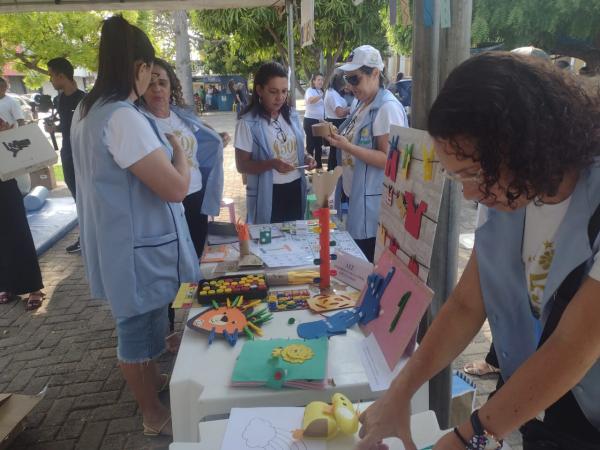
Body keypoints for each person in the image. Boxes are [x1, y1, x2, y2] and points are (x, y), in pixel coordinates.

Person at [355, 52, 600, 450]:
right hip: (542, 406)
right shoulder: (511, 188)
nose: (469, 193)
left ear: (526, 143)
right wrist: (400, 392)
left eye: (473, 173)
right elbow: (468, 303)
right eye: (458, 177)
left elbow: (574, 345)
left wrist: (467, 438)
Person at [71, 16, 199, 437]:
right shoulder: (123, 117)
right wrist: (179, 149)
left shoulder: (86, 111)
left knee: (142, 325)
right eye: (150, 71)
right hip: (136, 245)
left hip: (117, 239)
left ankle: (150, 384)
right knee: (137, 331)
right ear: (140, 68)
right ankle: (152, 413)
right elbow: (176, 188)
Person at [141, 58, 225, 330]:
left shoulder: (179, 114)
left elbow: (198, 143)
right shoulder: (140, 120)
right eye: (150, 82)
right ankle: (165, 326)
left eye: (162, 82)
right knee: (168, 266)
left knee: (196, 260)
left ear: (171, 86)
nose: (157, 88)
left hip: (195, 194)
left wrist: (216, 139)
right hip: (165, 201)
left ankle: (194, 318)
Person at [324, 45, 407, 262]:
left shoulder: (387, 108)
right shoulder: (362, 104)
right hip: (356, 199)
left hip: (374, 209)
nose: (350, 87)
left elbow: (389, 160)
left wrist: (347, 146)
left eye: (355, 79)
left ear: (375, 74)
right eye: (347, 79)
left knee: (368, 265)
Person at [235, 61, 317, 224]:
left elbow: (299, 150)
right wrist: (271, 164)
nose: (280, 98)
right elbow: (242, 166)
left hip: (295, 188)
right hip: (267, 193)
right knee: (269, 242)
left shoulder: (292, 116)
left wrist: (307, 158)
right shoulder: (248, 123)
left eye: (284, 91)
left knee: (295, 237)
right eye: (273, 91)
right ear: (259, 90)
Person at [0, 118, 45, 310]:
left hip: (3, 181)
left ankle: (34, 287)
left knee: (18, 232)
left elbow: (9, 136)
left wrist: (7, 132)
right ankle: (7, 285)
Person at [46, 57, 86, 253]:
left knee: (86, 197)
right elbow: (67, 124)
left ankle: (88, 237)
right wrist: (55, 127)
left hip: (83, 157)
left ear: (61, 76)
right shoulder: (60, 98)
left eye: (51, 76)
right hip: (67, 155)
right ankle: (85, 237)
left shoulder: (84, 100)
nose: (51, 80)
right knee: (77, 198)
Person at [324, 70, 350, 171]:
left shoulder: (333, 92)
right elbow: (339, 112)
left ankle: (333, 171)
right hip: (337, 123)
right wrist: (351, 109)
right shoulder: (333, 94)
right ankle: (333, 172)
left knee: (334, 151)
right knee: (335, 151)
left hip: (336, 122)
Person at [303, 73, 325, 169]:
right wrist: (321, 96)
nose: (321, 82)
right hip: (310, 120)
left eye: (322, 80)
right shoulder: (310, 90)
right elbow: (310, 100)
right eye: (318, 80)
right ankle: (309, 166)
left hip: (319, 121)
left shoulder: (320, 91)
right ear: (313, 81)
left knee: (318, 144)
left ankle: (319, 166)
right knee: (310, 144)